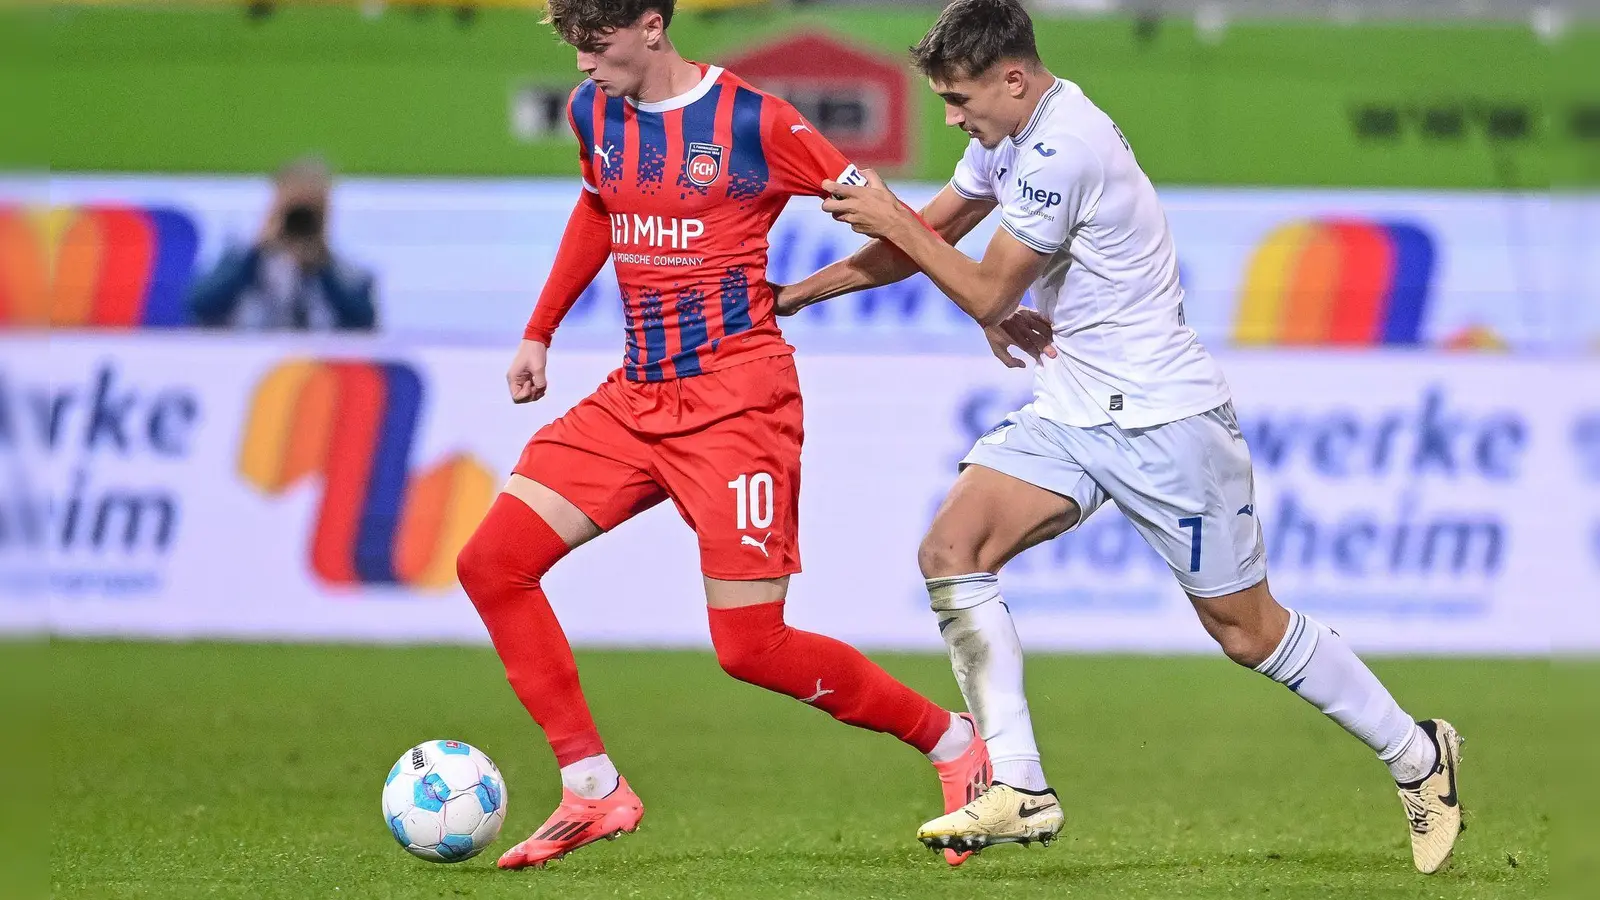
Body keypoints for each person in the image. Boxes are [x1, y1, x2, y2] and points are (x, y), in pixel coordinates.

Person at [775, 0, 1464, 875]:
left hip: (1165, 419)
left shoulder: (1068, 146)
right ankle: (1019, 783)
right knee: (952, 547)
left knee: (1246, 631)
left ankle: (1417, 755)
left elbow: (982, 288)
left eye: (960, 98)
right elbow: (936, 234)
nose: (953, 117)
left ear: (1013, 78)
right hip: (1070, 408)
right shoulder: (1006, 137)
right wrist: (795, 294)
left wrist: (893, 218)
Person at [453, 0, 991, 872]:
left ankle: (955, 744)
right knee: (491, 564)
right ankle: (592, 787)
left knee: (751, 648)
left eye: (598, 43)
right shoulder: (593, 111)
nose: (585, 64)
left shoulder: (755, 121)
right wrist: (540, 329)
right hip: (637, 398)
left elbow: (887, 214)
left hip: (737, 408)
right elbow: (600, 207)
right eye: (574, 49)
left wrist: (983, 306)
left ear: (652, 25)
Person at [186, 156, 375, 330]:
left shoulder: (344, 272)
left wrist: (321, 264)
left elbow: (364, 321)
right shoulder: (240, 260)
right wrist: (257, 251)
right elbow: (200, 305)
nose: (300, 220)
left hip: (316, 362)